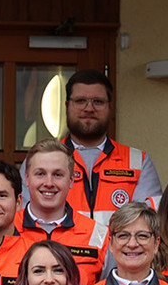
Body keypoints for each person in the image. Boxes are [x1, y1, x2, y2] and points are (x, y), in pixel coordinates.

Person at [53, 71, 159, 214]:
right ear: (67, 105)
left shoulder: (138, 161)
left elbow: (148, 222)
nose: (89, 108)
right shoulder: (43, 159)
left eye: (98, 101)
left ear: (110, 106)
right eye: (80, 101)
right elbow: (27, 218)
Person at [19, 139, 109, 284]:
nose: (48, 183)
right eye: (40, 174)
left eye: (58, 175)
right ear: (27, 178)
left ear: (72, 180)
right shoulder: (8, 229)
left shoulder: (97, 234)